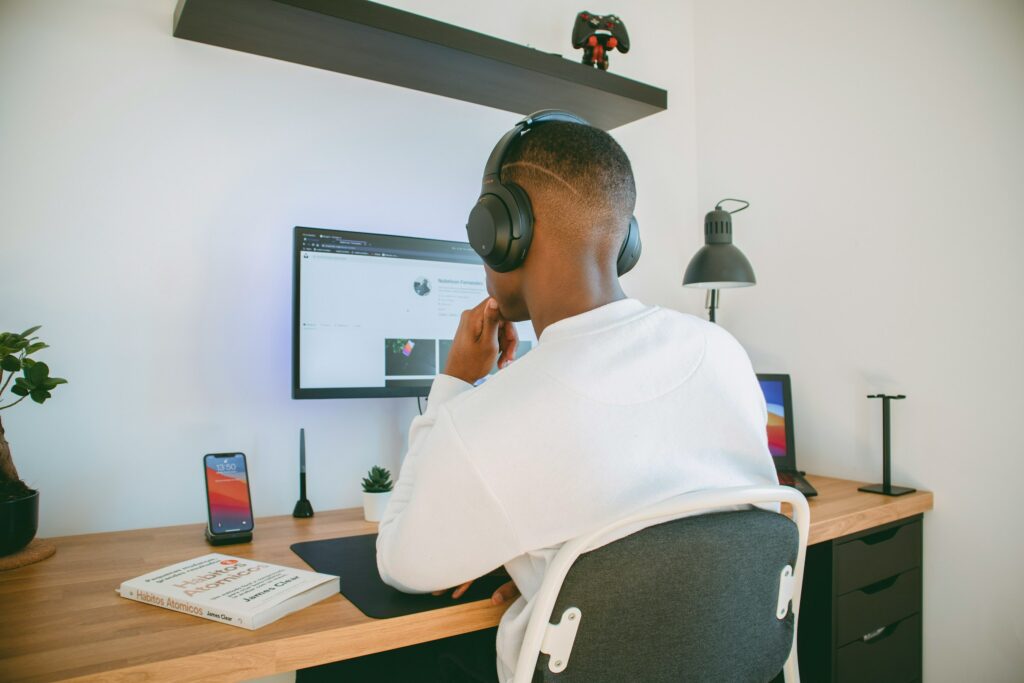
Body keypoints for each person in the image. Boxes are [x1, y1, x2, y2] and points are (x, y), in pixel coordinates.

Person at [301, 117, 777, 682]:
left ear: (505, 230)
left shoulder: (493, 413)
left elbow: (402, 564)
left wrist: (453, 383)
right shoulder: (720, 350)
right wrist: (556, 577)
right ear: (624, 239)